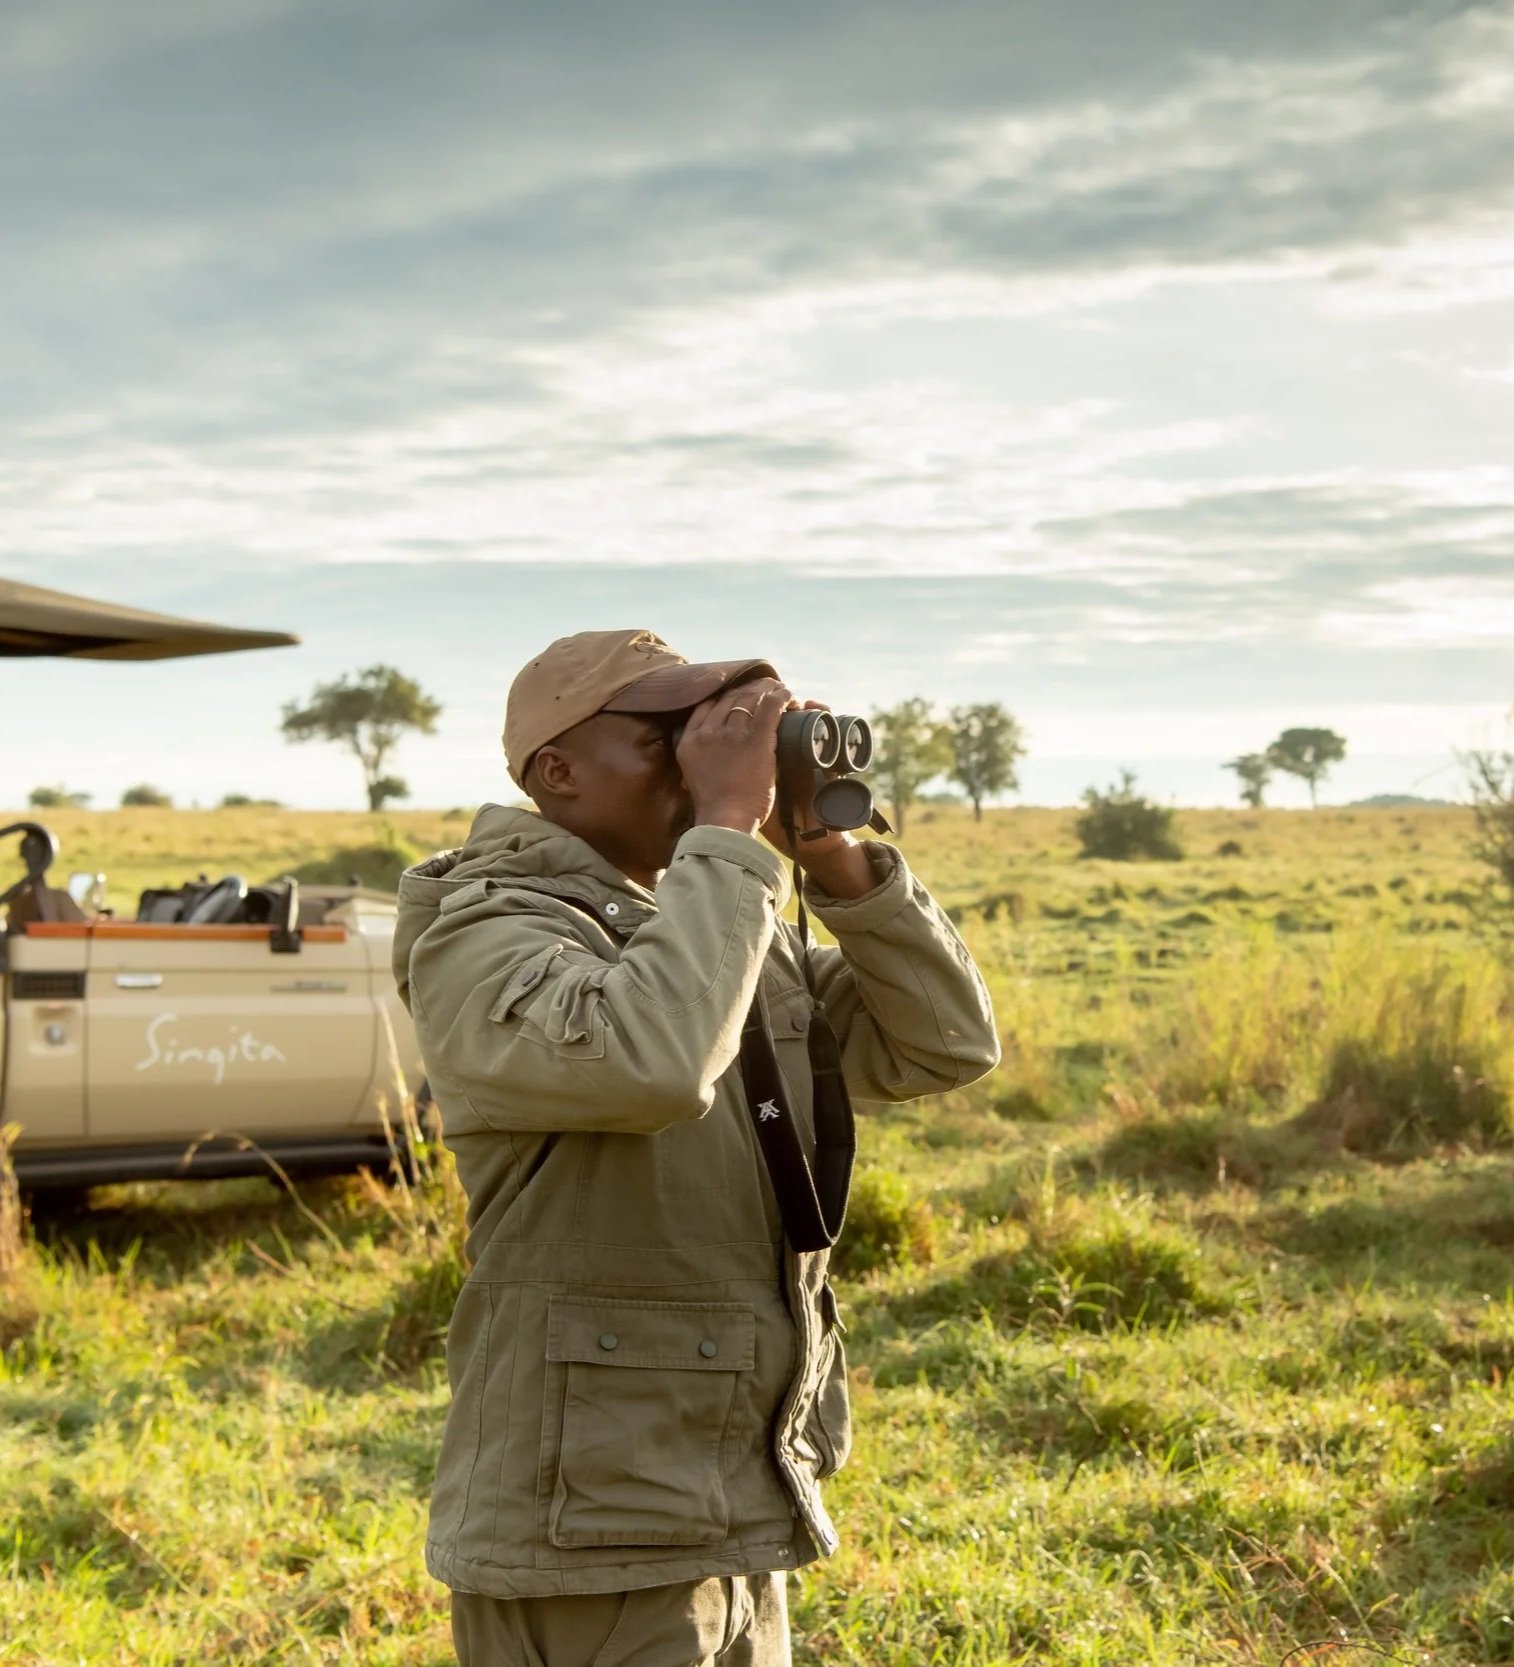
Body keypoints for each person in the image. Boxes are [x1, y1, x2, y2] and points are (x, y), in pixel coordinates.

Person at [394, 628, 999, 1666]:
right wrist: (724, 823)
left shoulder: (709, 915)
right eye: (669, 733)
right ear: (557, 770)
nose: (707, 756)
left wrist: (825, 848)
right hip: (584, 1523)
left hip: (722, 1489)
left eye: (716, 733)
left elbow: (942, 1045)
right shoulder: (485, 928)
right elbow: (651, 1061)